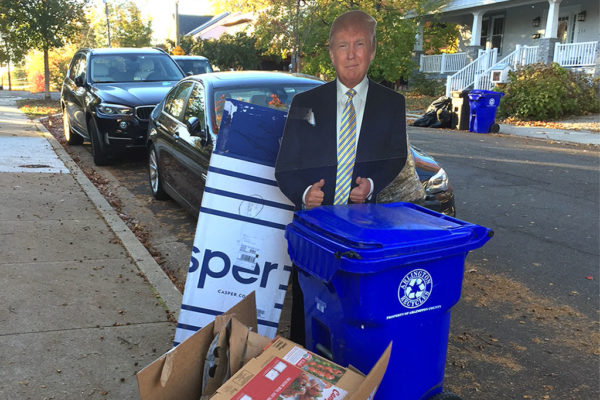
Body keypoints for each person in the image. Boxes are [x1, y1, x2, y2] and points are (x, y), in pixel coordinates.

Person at [275, 10, 408, 345]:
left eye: (359, 43)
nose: (351, 53)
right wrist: (305, 193)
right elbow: (285, 166)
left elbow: (396, 156)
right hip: (315, 233)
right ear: (331, 53)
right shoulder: (306, 104)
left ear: (372, 50)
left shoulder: (392, 103)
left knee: (355, 320)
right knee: (310, 316)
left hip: (363, 236)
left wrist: (373, 184)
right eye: (342, 45)